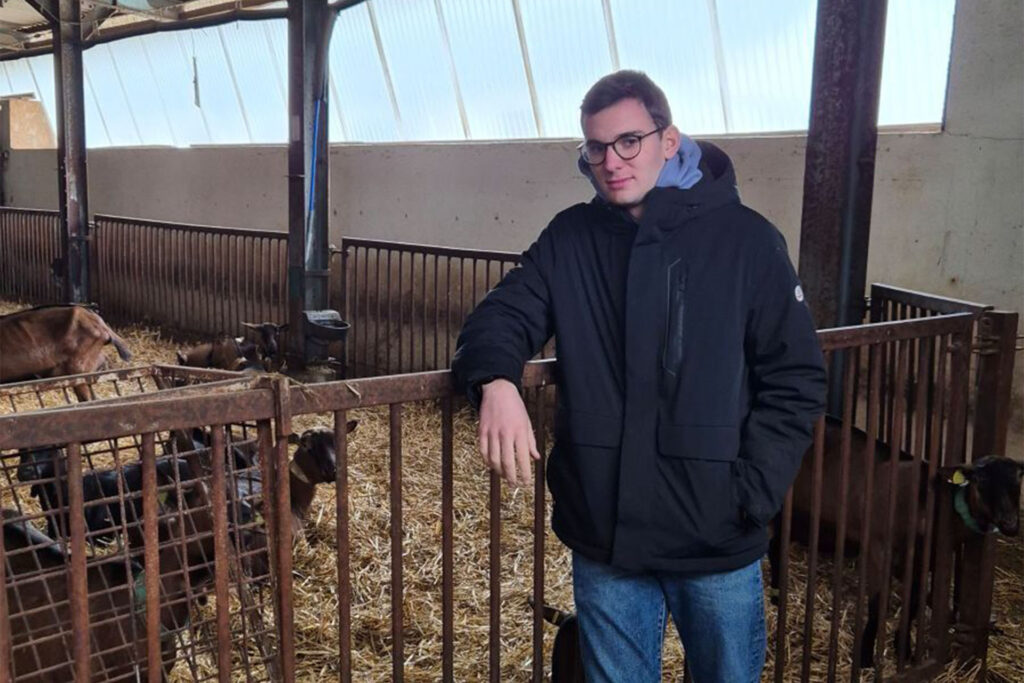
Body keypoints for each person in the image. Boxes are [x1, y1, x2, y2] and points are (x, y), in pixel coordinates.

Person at [452, 70, 826, 683]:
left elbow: (796, 377)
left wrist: (750, 494)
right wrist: (495, 381)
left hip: (716, 537)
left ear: (669, 139)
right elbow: (500, 314)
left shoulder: (747, 241)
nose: (611, 161)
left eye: (629, 141)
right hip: (607, 535)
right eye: (594, 148)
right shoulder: (572, 237)